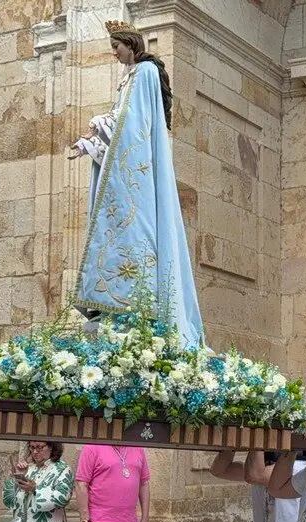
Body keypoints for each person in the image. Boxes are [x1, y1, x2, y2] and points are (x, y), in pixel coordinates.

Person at [68, 18, 203, 347]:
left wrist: (96, 124)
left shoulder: (143, 74)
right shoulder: (129, 80)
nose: (113, 53)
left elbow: (132, 123)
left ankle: (136, 305)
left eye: (116, 47)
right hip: (128, 171)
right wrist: (89, 144)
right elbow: (120, 131)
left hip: (136, 177)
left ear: (130, 45)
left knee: (135, 229)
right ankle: (115, 305)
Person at [4, 441, 77, 522]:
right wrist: (15, 477)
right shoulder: (29, 468)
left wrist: (36, 489)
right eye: (32, 447)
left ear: (51, 447)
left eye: (39, 447)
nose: (35, 451)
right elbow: (8, 500)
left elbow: (62, 497)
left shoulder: (62, 469)